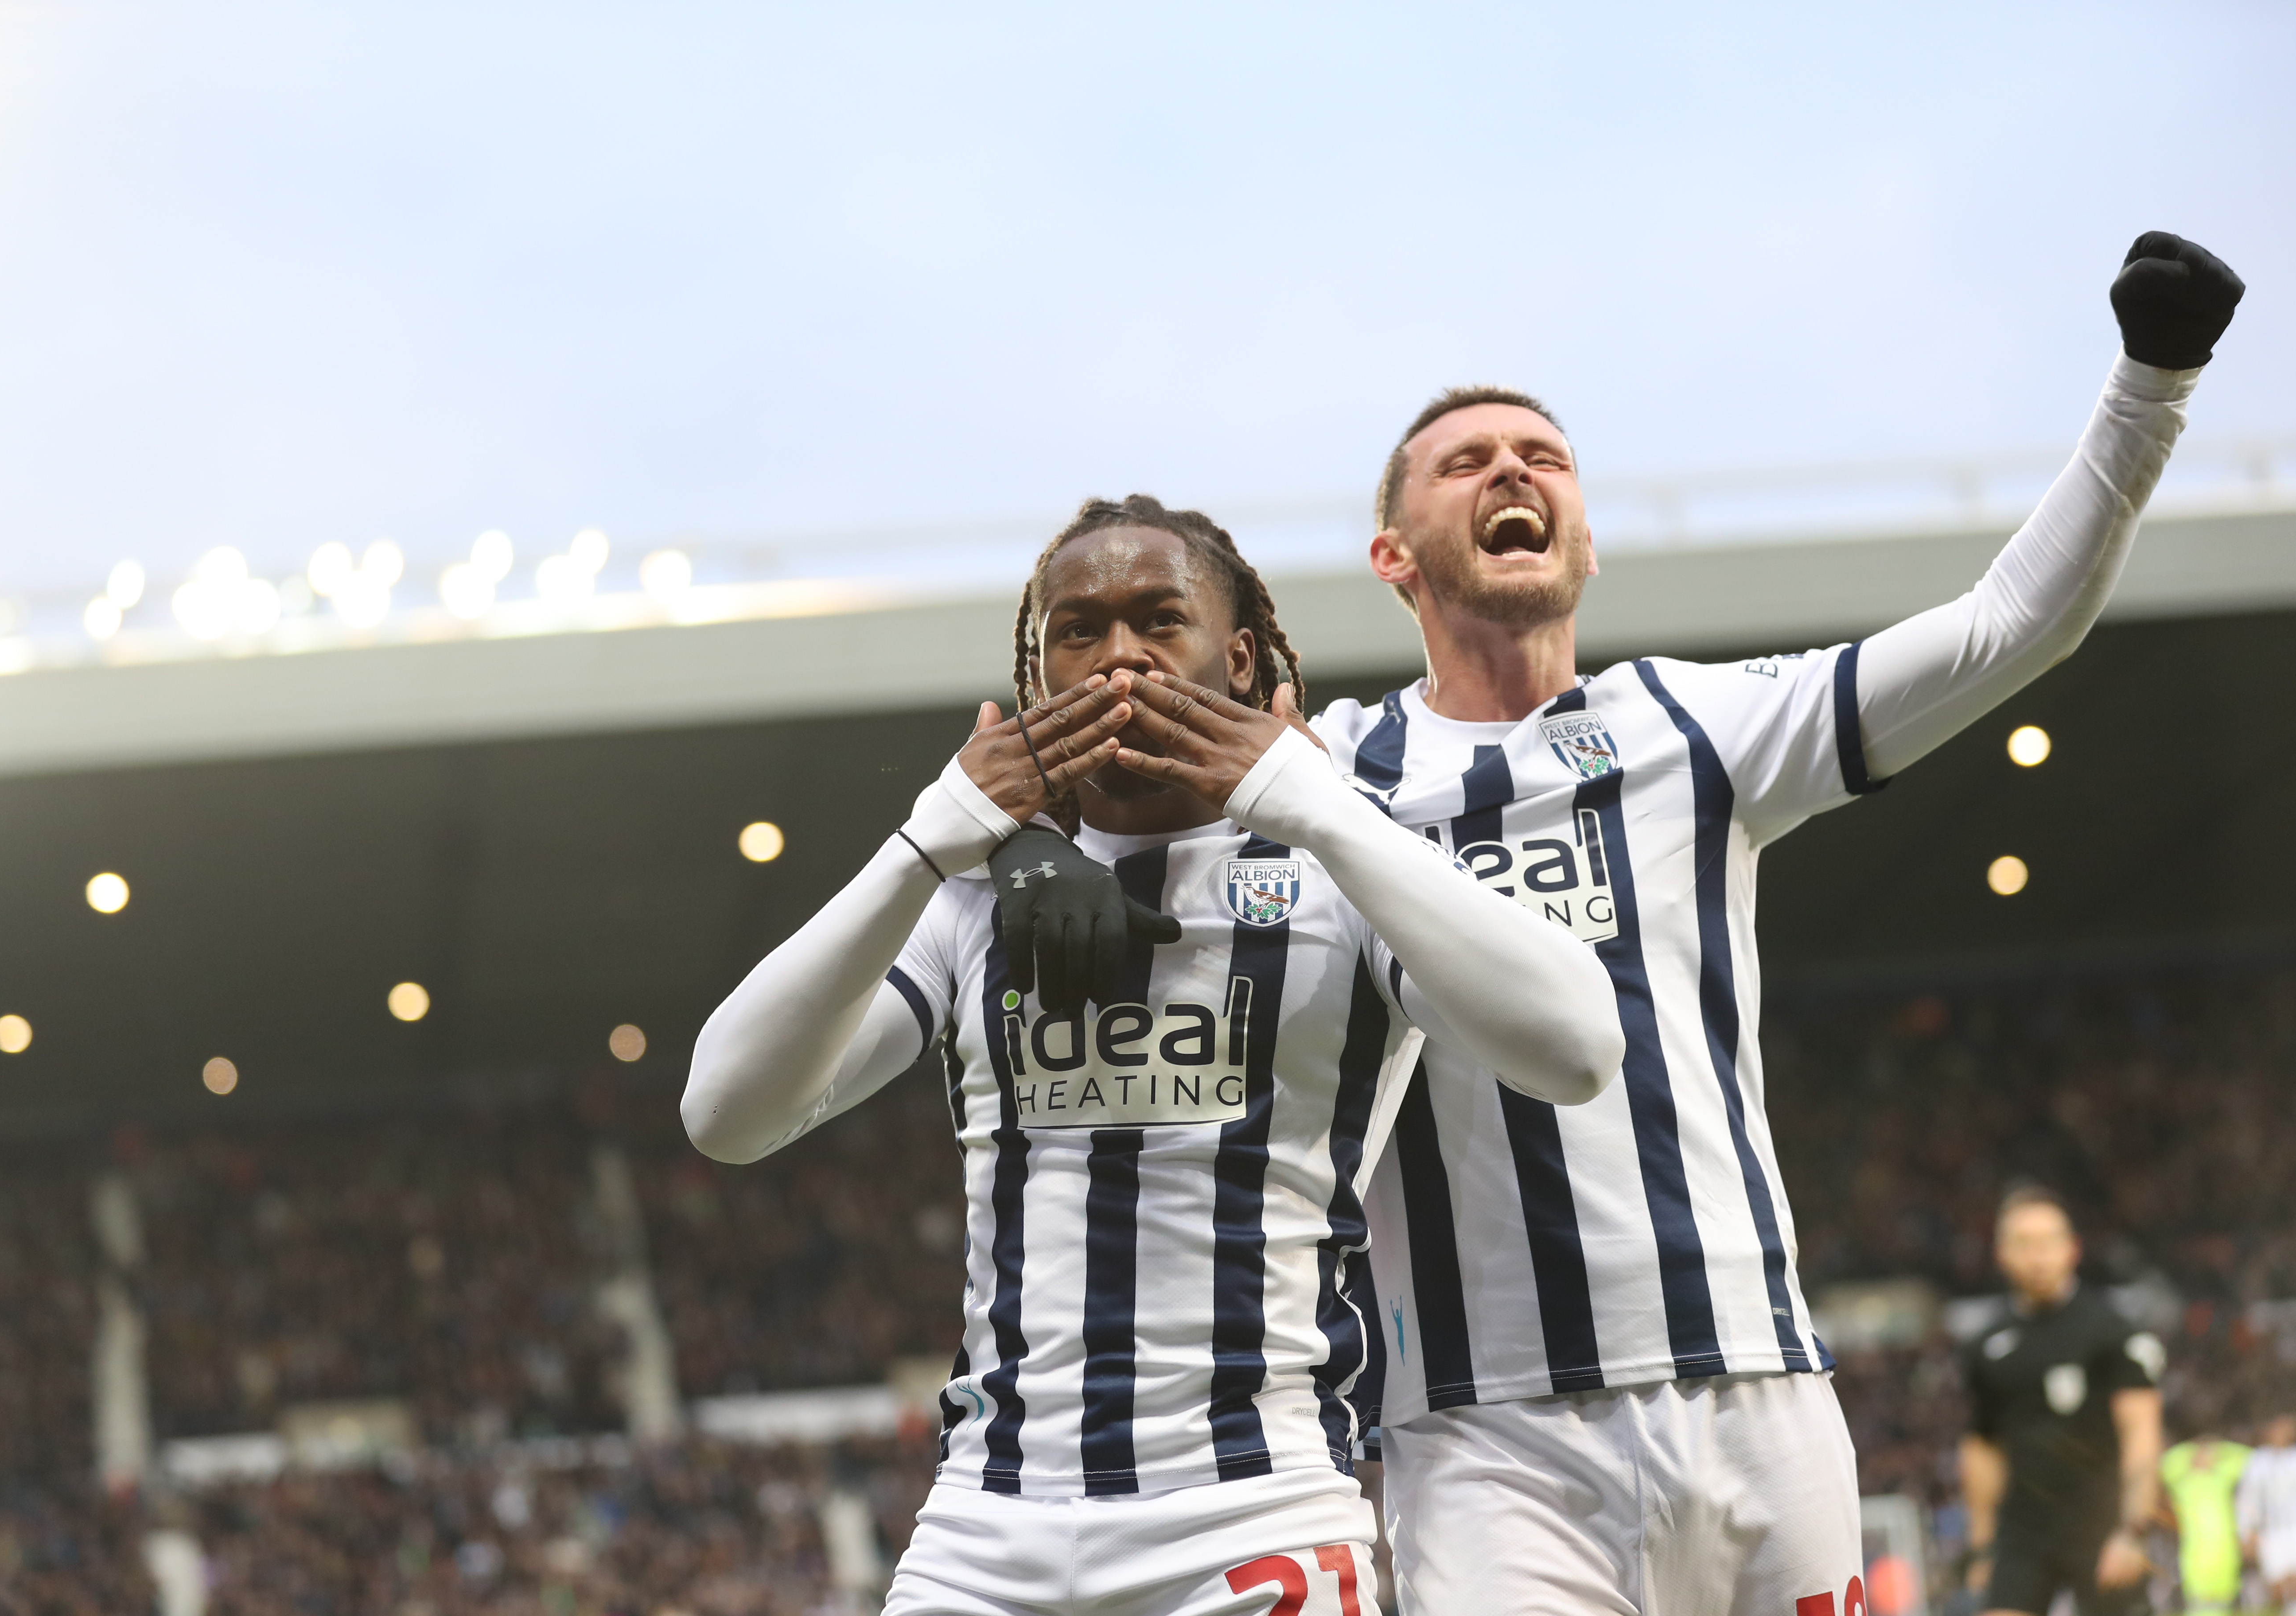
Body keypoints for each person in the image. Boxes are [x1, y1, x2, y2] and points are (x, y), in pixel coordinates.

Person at [1292, 230, 2236, 1616]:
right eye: (1468, 460)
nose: (1513, 471)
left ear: (1586, 540)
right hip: (1491, 1439)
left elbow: (2003, 630)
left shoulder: (1695, 724)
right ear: (1393, 553)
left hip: (1761, 1401)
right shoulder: (1328, 778)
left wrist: (2153, 382)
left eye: (1544, 458)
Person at [684, 497, 1623, 1616]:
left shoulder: (1347, 868)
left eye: (1155, 619)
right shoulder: (968, 896)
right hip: (985, 1525)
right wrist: (932, 837)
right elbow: (724, 1113)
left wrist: (1312, 804)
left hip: (1251, 1514)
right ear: (1034, 680)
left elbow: (1576, 1048)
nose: (1116, 654)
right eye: (1076, 630)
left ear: (1234, 658)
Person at [1959, 1187, 2167, 1616]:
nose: (2038, 1257)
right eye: (2024, 1244)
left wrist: (2133, 1529)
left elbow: (2142, 1432)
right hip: (2024, 1530)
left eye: (2049, 1242)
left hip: (2101, 1521)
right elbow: (1982, 1446)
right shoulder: (1986, 1345)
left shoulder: (2111, 1330)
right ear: (2002, 1254)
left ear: (2072, 1249)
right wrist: (1982, 1546)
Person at [2160, 1429, 2250, 1616]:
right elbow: (2166, 1462)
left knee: (2226, 1604)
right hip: (2195, 1559)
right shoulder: (2183, 1482)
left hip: (2226, 1554)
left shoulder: (2222, 1477)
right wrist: (2192, 1450)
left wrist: (2219, 1449)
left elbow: (2251, 1459)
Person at [2239, 1414, 2296, 1616]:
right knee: (2277, 1591)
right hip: (2273, 1536)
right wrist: (2246, 1532)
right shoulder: (2258, 1462)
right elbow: (2248, 1500)